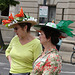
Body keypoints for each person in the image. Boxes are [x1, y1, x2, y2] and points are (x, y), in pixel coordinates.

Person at [2, 7, 42, 75]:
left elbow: (38, 65)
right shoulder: (15, 39)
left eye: (16, 28)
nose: (14, 31)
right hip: (12, 73)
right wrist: (11, 62)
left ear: (25, 28)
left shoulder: (36, 43)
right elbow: (7, 51)